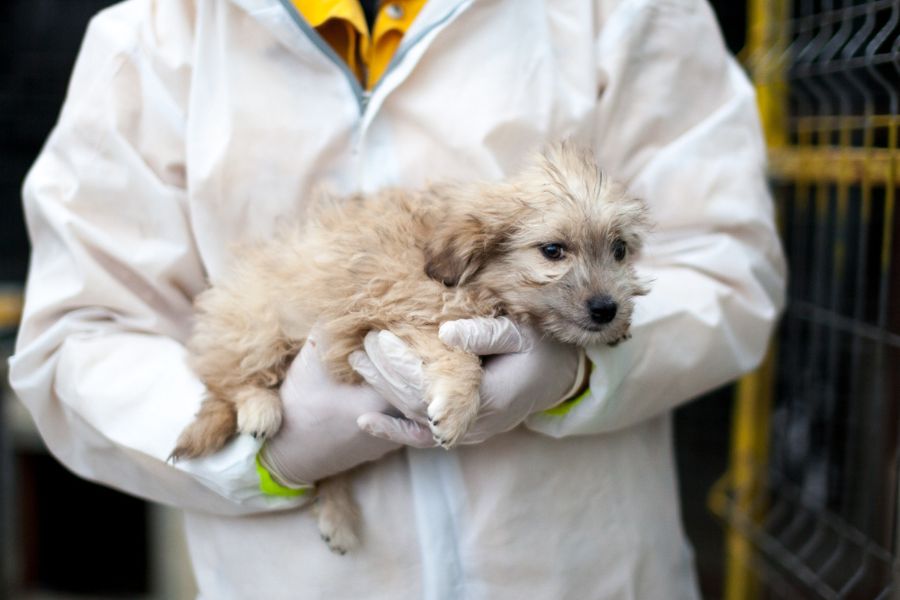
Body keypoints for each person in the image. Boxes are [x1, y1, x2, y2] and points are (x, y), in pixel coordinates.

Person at [9, 0, 786, 597]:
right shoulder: (150, 36)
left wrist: (577, 375)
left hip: (584, 574)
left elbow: (725, 259)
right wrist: (271, 452)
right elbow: (82, 336)